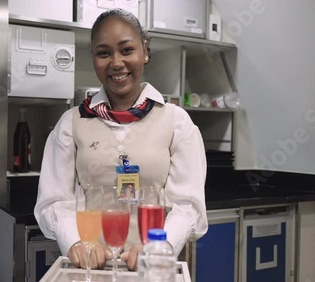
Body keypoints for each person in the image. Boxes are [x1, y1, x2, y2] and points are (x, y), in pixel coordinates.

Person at [34, 8, 208, 271]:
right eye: (104, 53)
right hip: (90, 269)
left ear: (145, 51)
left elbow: (187, 205)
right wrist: (75, 243)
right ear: (93, 58)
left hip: (154, 268)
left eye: (127, 50)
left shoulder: (177, 122)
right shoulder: (71, 123)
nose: (116, 63)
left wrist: (162, 246)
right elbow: (54, 200)